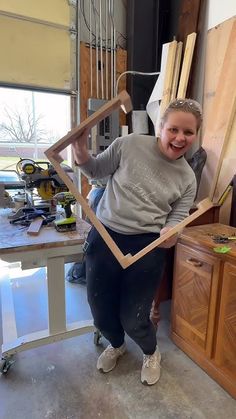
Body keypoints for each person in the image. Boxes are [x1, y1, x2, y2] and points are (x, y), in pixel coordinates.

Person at [72, 98, 202, 386]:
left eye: (188, 132)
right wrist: (80, 150)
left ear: (195, 135)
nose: (180, 138)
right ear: (161, 127)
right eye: (173, 129)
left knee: (135, 316)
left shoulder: (187, 179)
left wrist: (170, 236)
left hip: (146, 247)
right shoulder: (129, 144)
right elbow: (95, 170)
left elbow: (175, 220)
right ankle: (116, 344)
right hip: (105, 237)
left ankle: (151, 351)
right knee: (100, 308)